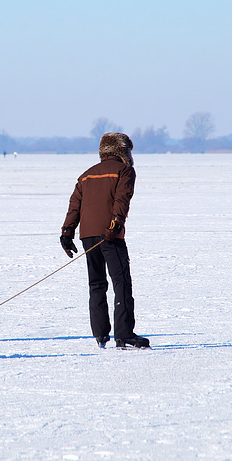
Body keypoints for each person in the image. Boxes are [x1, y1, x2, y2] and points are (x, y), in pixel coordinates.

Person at [60, 132, 149, 349]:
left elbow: (75, 205)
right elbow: (122, 199)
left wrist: (67, 233)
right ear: (123, 150)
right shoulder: (125, 171)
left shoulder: (86, 175)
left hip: (88, 236)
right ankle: (124, 334)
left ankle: (100, 334)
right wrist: (116, 223)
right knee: (121, 283)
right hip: (110, 234)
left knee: (97, 284)